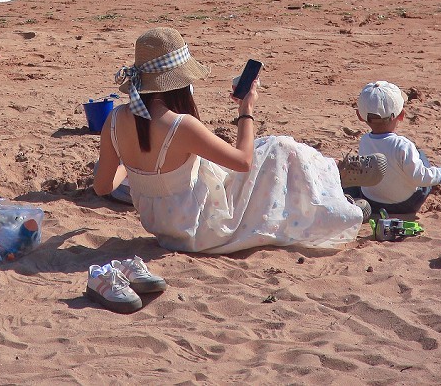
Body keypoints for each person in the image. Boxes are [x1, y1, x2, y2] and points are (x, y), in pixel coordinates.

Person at [93, 27, 362, 253]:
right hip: (200, 230)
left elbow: (103, 186)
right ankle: (337, 187)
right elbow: (243, 162)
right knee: (280, 148)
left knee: (262, 151)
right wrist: (246, 111)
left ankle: (335, 177)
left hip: (164, 228)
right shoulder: (180, 125)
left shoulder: (115, 120)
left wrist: (132, 163)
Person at [347, 81, 441, 215]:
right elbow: (420, 177)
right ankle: (439, 172)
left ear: (360, 116)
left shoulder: (364, 141)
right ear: (402, 115)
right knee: (419, 155)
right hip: (406, 204)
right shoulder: (402, 145)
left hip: (372, 202)